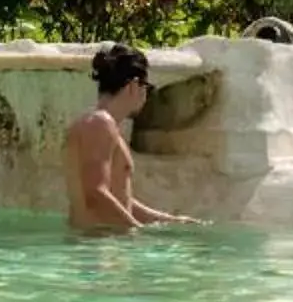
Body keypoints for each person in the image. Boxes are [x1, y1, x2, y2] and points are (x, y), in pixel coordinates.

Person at [65, 43, 197, 232]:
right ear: (134, 86)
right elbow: (95, 194)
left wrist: (171, 221)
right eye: (147, 88)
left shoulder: (101, 125)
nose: (147, 96)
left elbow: (120, 199)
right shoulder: (99, 124)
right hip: (94, 248)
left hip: (101, 245)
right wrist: (136, 233)